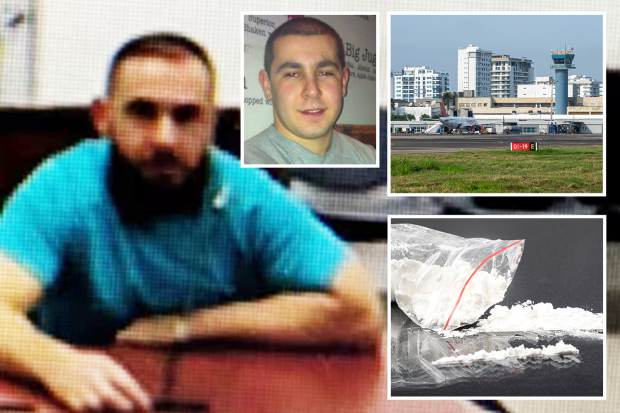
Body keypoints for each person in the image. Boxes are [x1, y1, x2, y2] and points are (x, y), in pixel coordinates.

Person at [0, 33, 382, 412]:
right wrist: (54, 364)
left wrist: (185, 327)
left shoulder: (245, 196)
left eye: (186, 115)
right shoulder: (63, 186)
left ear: (211, 123)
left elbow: (360, 311)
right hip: (79, 400)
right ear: (104, 117)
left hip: (219, 393)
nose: (164, 138)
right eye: (142, 112)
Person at [244, 17, 376, 165]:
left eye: (325, 73)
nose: (312, 91)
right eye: (292, 74)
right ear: (267, 86)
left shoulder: (370, 157)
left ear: (343, 82)